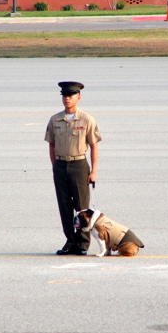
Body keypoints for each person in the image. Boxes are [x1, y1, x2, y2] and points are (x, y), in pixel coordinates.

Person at [45, 81, 102, 255]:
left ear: (79, 97)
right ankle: (70, 241)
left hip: (79, 165)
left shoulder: (87, 119)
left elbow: (94, 146)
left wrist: (93, 171)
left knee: (82, 207)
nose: (67, 98)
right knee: (64, 206)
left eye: (71, 95)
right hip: (61, 166)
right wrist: (55, 167)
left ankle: (83, 244)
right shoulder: (55, 119)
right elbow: (52, 145)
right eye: (64, 95)